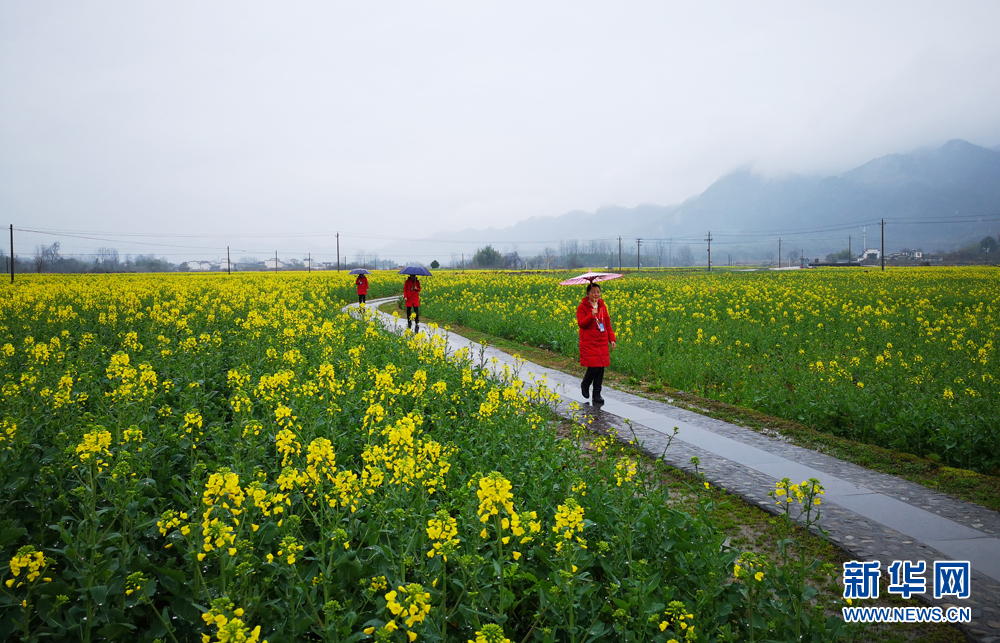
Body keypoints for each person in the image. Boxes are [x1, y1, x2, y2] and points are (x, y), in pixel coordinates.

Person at [576, 282, 616, 404]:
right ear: (588, 293)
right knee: (593, 367)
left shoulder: (602, 306)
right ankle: (585, 384)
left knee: (600, 369)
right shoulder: (582, 307)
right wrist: (591, 315)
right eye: (593, 292)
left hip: (602, 341)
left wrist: (612, 339)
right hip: (589, 341)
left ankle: (597, 394)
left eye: (598, 292)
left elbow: (607, 323)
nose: (596, 294)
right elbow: (581, 323)